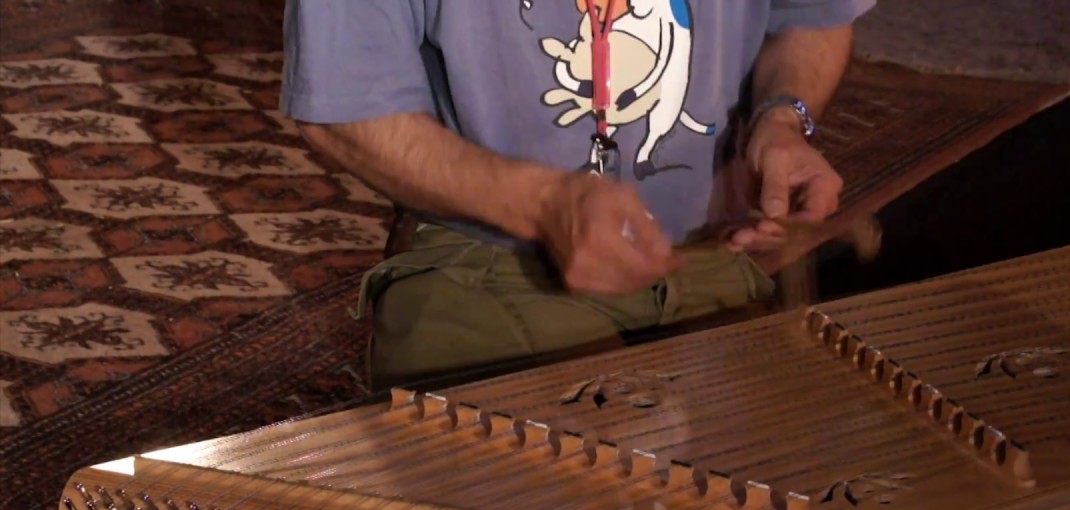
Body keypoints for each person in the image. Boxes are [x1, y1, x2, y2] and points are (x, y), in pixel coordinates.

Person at [281, 0, 878, 392]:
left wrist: (782, 118)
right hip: (488, 261)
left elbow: (812, 14)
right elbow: (345, 110)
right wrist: (543, 203)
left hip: (707, 255)